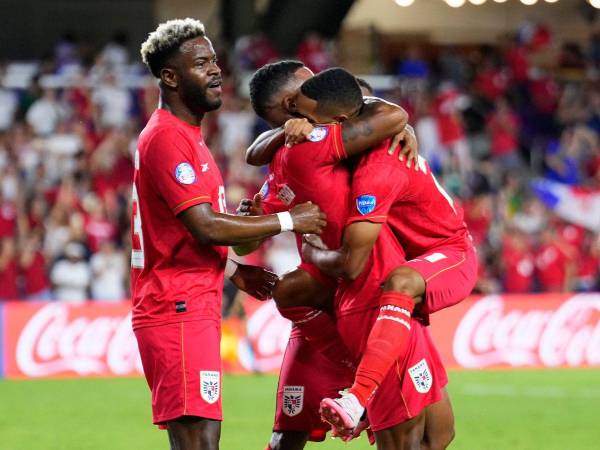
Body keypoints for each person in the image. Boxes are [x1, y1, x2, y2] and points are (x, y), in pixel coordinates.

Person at [133, 19, 326, 450]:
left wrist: (236, 270)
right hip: (175, 306)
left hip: (191, 304)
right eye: (201, 64)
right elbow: (205, 224)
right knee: (199, 441)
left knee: (203, 438)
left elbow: (187, 234)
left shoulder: (188, 137)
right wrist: (290, 220)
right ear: (170, 77)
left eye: (215, 61)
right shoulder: (167, 138)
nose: (216, 71)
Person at [243, 63, 451, 450]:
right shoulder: (298, 150)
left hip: (369, 291)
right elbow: (256, 156)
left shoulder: (346, 127)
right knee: (291, 433)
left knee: (435, 434)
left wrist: (399, 128)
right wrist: (262, 224)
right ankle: (360, 384)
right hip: (350, 303)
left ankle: (360, 385)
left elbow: (386, 113)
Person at [294, 69, 477, 443]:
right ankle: (360, 396)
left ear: (343, 123)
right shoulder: (355, 153)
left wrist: (311, 249)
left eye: (313, 122)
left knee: (400, 281)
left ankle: (357, 397)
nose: (305, 127)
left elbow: (352, 263)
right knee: (438, 437)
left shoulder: (376, 169)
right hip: (401, 293)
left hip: (448, 254)